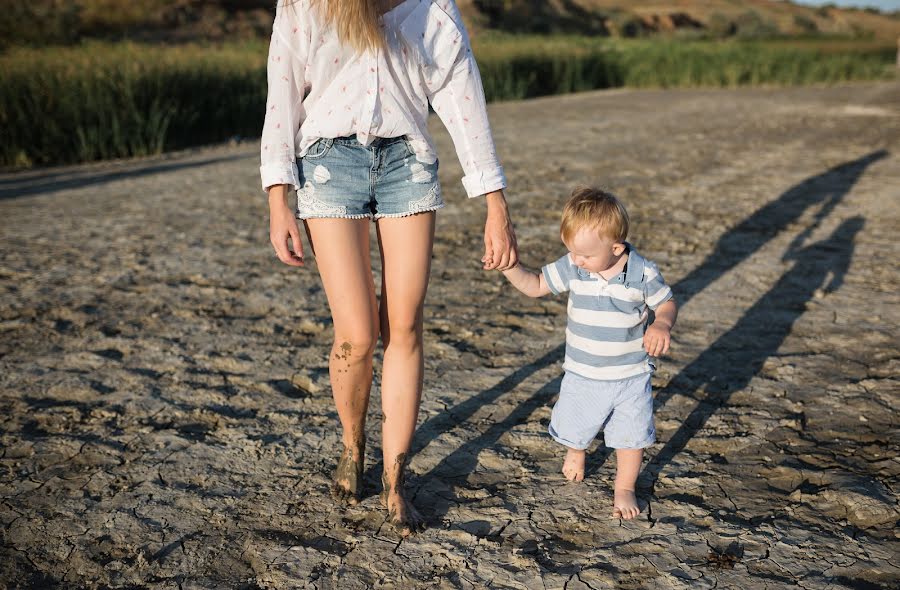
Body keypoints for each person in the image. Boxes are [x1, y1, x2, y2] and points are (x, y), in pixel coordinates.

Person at [261, 0, 518, 535]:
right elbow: (282, 97)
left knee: (403, 325)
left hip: (409, 164)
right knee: (356, 332)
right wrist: (277, 197)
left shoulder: (434, 10)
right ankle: (353, 447)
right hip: (329, 163)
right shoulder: (305, 5)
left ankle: (396, 482)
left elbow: (463, 102)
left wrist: (495, 204)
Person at [498, 188, 676, 519]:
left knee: (631, 437)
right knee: (577, 422)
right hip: (583, 371)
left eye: (585, 256)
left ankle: (624, 488)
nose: (578, 261)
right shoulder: (574, 266)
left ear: (616, 248)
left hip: (630, 375)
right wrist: (509, 267)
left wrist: (661, 325)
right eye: (572, 252)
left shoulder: (642, 272)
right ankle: (576, 451)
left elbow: (666, 303)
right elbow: (536, 285)